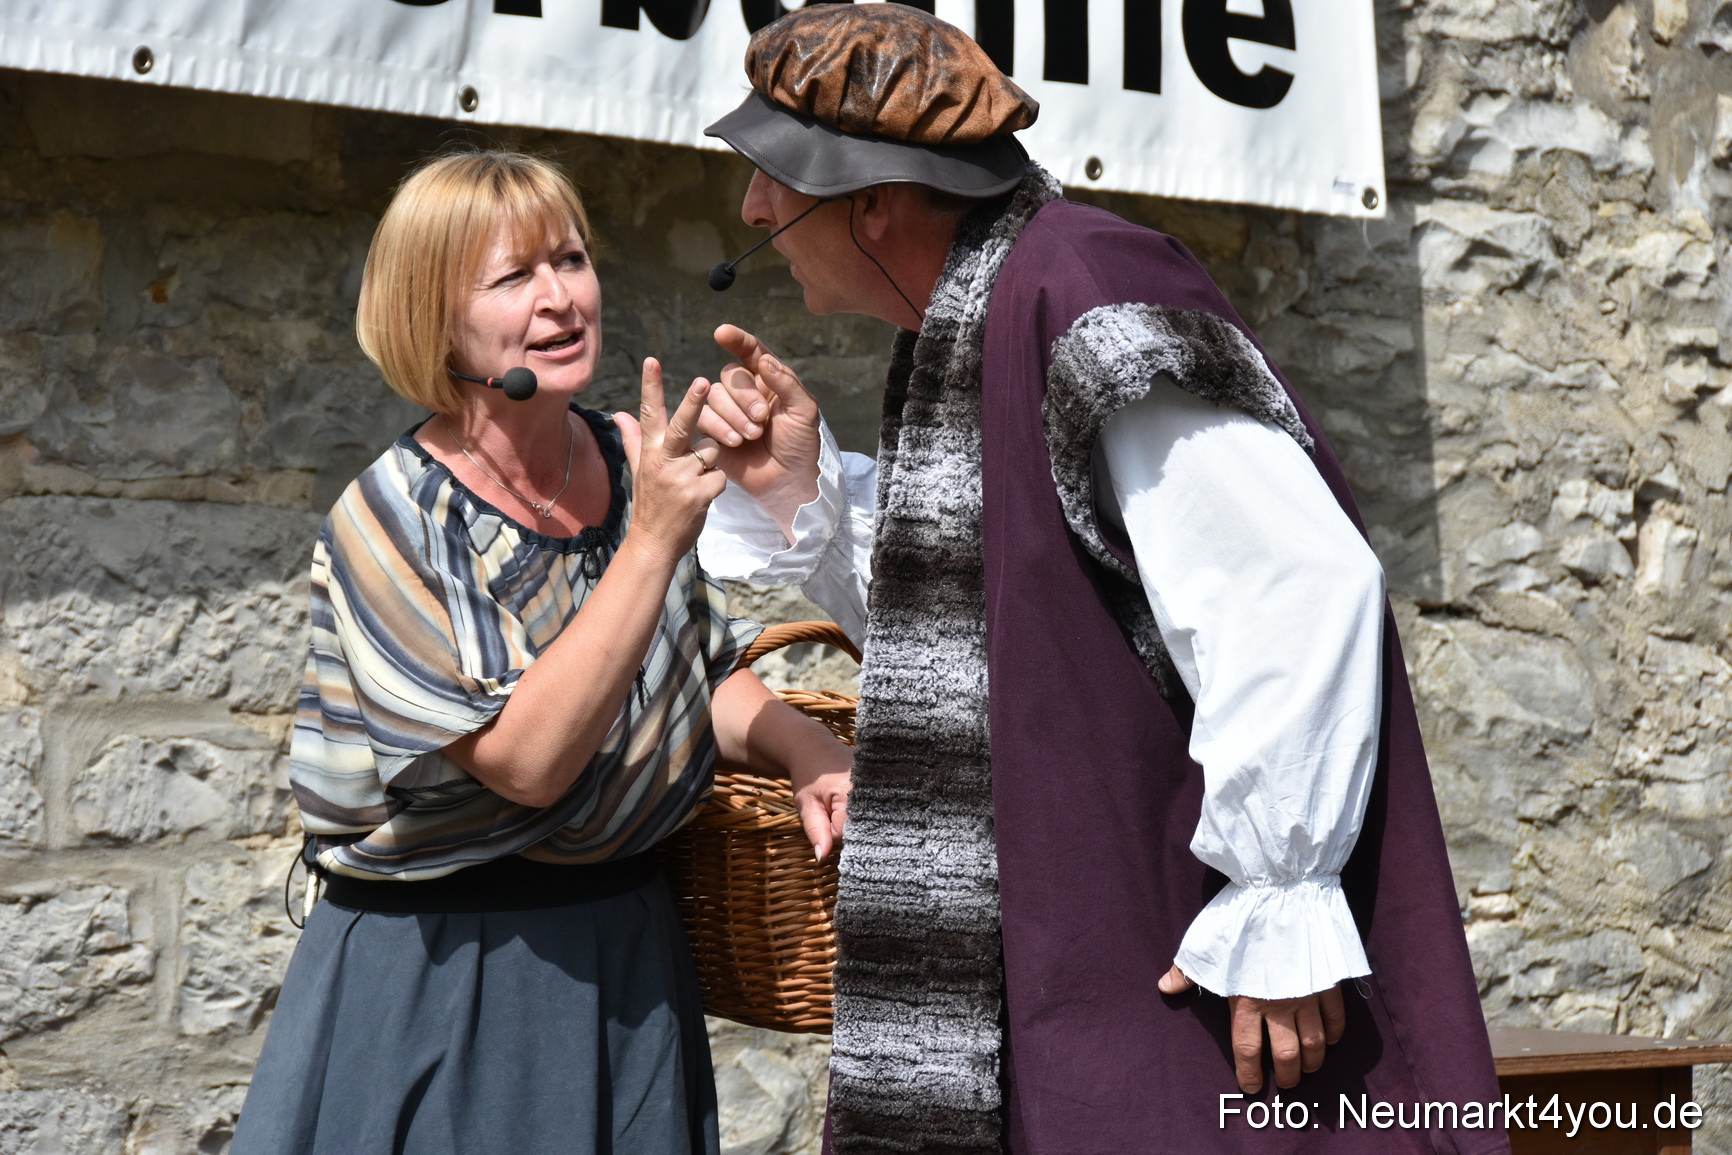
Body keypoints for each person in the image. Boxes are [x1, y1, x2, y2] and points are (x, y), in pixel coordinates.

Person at [691, 6, 1506, 1154]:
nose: (752, 209)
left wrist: (1277, 904)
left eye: (771, 174)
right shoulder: (974, 322)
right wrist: (799, 498)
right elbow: (999, 638)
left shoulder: (1083, 292)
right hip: (1068, 964)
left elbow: (1292, 586)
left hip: (1172, 963)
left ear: (868, 200)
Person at [230, 150, 852, 1155]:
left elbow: (696, 674)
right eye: (513, 276)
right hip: (451, 973)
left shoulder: (626, 459)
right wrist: (652, 539)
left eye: (570, 259)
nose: (560, 297)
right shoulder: (393, 516)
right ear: (435, 317)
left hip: (628, 956)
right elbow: (526, 762)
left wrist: (808, 751)